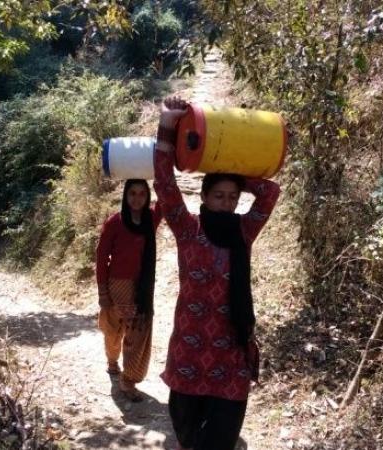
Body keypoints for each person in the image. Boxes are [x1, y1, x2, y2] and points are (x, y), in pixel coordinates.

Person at [154, 97, 281, 450]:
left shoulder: (243, 232)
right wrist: (167, 125)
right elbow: (164, 182)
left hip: (230, 354)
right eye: (219, 196)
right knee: (186, 434)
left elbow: (270, 192)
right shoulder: (187, 229)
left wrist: (235, 170)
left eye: (231, 197)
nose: (226, 203)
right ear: (205, 198)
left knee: (220, 439)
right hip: (190, 352)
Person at [96, 178, 162, 402]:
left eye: (142, 194)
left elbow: (165, 200)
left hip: (143, 288)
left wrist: (163, 172)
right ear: (125, 195)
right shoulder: (115, 222)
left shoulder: (151, 219)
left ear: (148, 196)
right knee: (115, 330)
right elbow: (102, 257)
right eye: (132, 193)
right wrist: (103, 294)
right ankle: (112, 361)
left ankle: (128, 380)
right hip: (119, 285)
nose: (137, 198)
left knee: (138, 331)